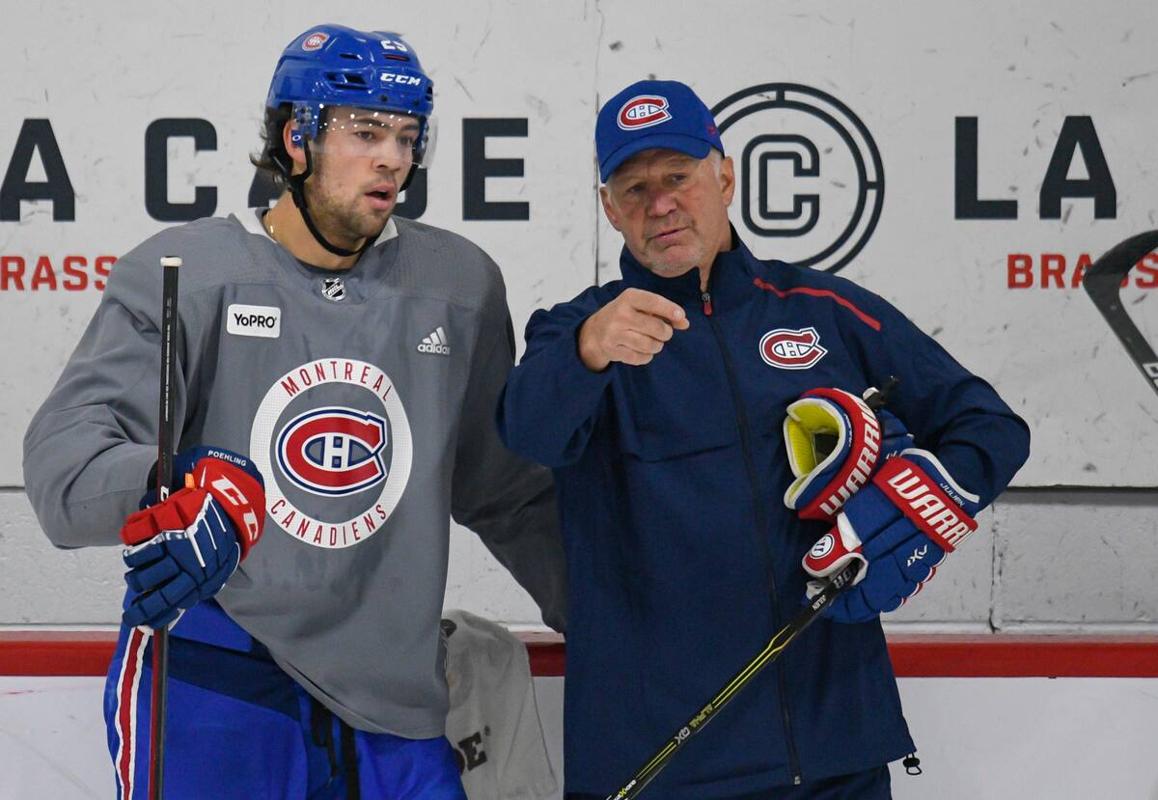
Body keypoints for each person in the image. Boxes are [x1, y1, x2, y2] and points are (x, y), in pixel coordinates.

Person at [23, 24, 566, 800]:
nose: (393, 158)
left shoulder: (458, 286)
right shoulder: (190, 271)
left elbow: (505, 491)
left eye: (409, 137)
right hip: (218, 675)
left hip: (395, 701)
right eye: (366, 131)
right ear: (296, 138)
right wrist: (177, 483)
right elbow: (64, 467)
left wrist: (613, 625)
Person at [497, 79, 1030, 799]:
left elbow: (990, 428)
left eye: (678, 177)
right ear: (608, 210)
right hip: (660, 769)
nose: (660, 204)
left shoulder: (825, 312)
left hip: (833, 754)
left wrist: (917, 503)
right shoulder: (576, 331)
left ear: (725, 176)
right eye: (635, 187)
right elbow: (528, 431)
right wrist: (589, 349)